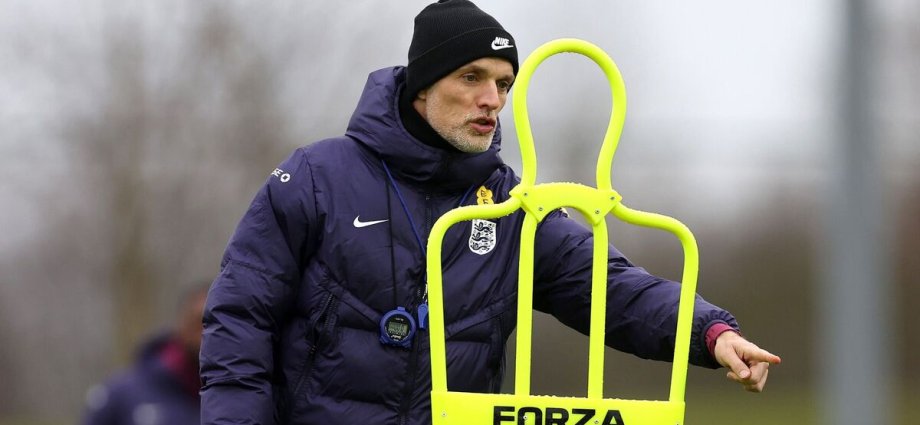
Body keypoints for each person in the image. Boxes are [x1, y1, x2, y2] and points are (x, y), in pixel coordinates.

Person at [200, 1, 781, 424]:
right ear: (422, 86)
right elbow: (239, 321)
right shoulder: (315, 177)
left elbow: (610, 286)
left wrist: (710, 333)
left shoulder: (511, 206)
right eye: (471, 77)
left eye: (504, 83)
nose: (492, 100)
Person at [81, 285, 207, 425]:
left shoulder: (225, 395)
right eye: (197, 322)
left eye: (215, 325)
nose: (205, 334)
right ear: (180, 324)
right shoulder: (122, 395)